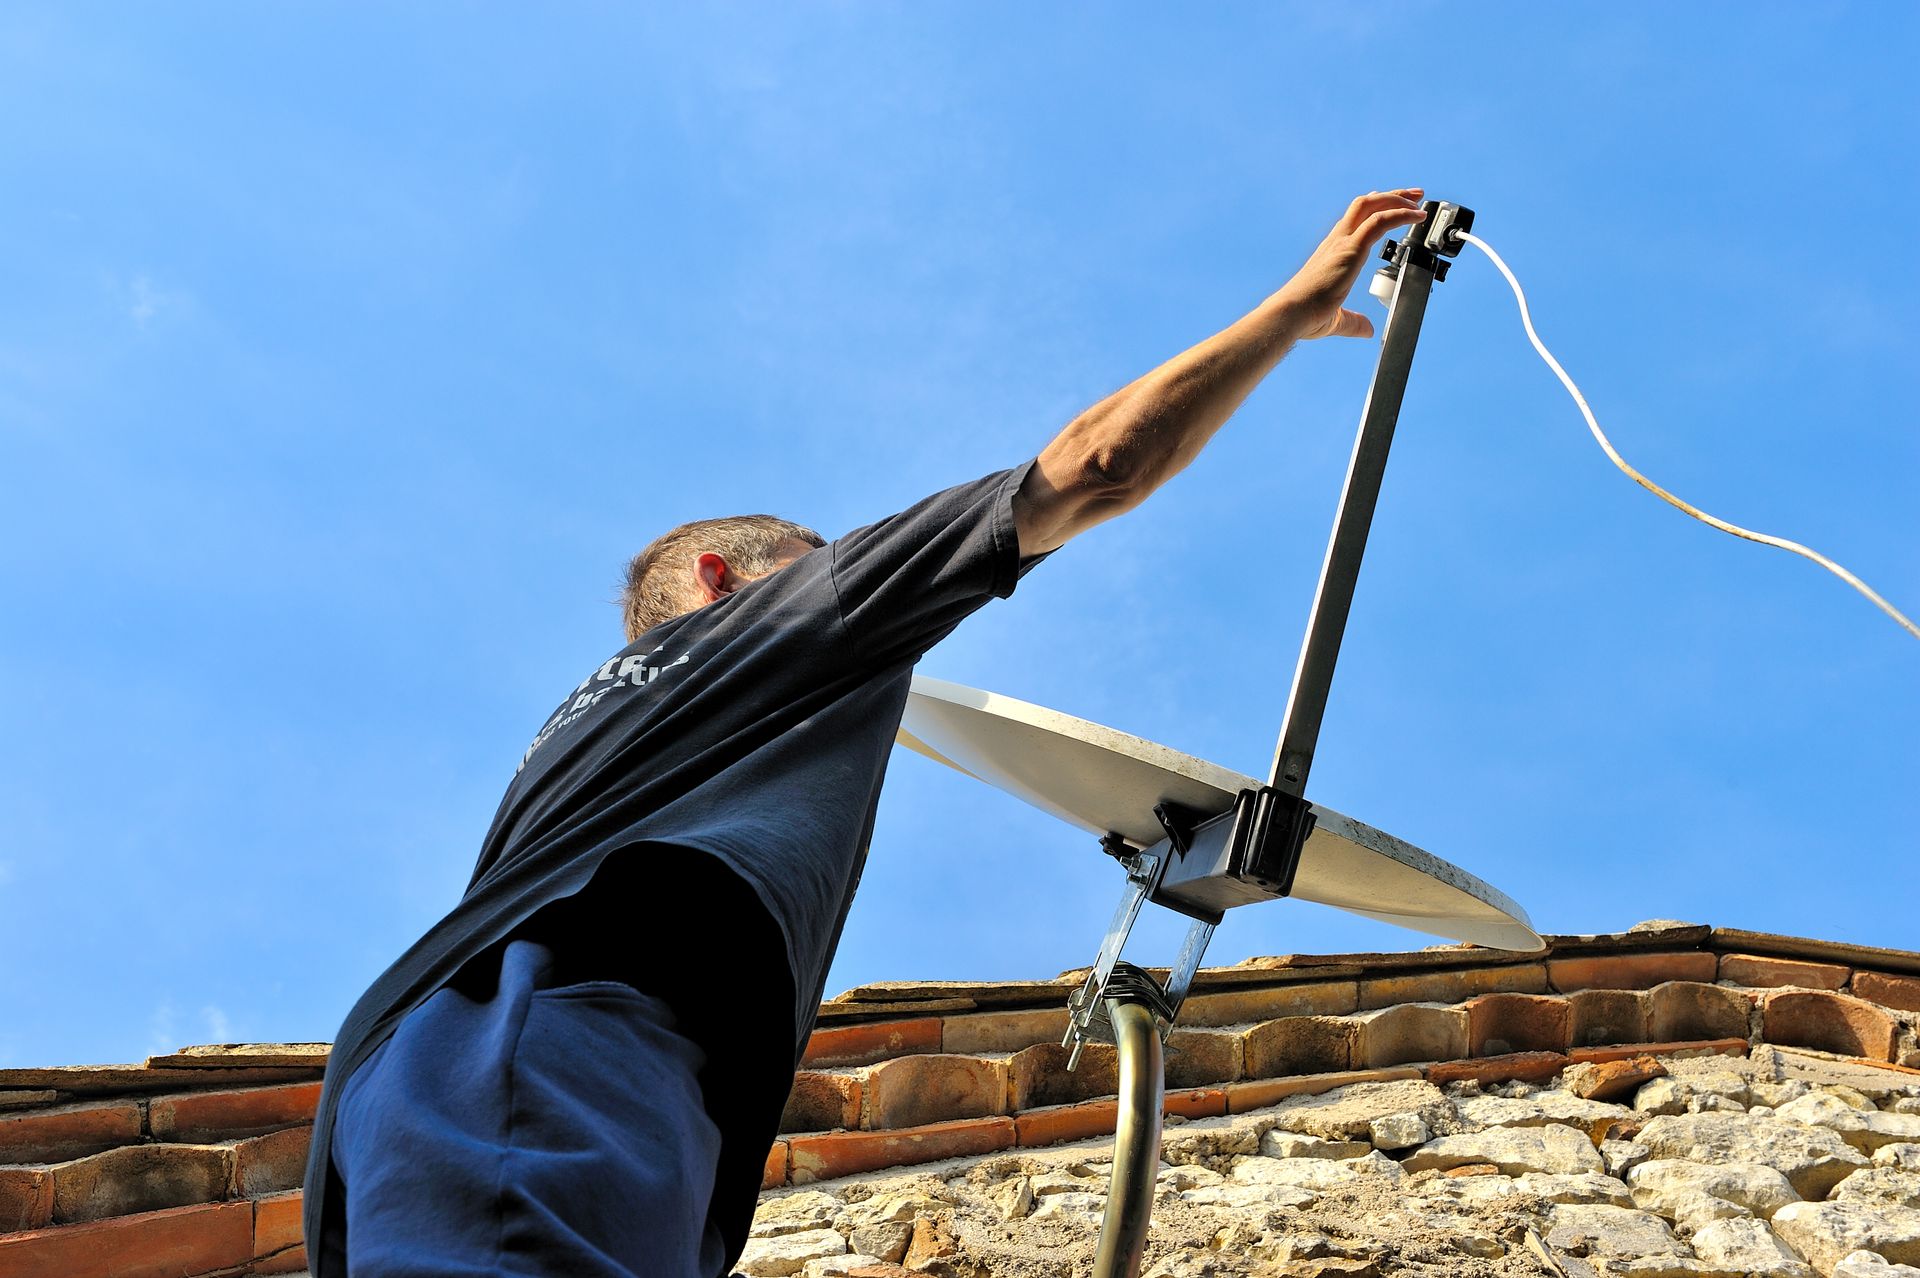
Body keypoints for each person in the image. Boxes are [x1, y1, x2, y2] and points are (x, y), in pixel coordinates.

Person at [302, 188, 1430, 1277]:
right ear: (721, 579)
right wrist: (1288, 311)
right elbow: (1098, 468)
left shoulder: (622, 718)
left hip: (458, 1079)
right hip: (563, 1042)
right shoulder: (785, 625)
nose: (852, 584)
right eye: (820, 558)